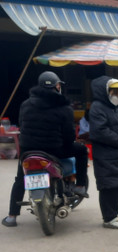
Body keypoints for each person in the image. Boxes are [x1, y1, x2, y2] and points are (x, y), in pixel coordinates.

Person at [3, 71, 89, 228]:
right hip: (54, 150)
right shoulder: (64, 106)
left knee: (20, 178)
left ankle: (12, 216)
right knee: (82, 151)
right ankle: (80, 185)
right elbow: (69, 136)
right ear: (57, 86)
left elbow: (23, 126)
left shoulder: (26, 104)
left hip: (28, 150)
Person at [88, 76, 118, 229]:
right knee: (109, 186)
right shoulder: (97, 107)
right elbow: (99, 131)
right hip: (105, 154)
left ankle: (114, 214)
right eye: (116, 93)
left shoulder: (116, 108)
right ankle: (109, 217)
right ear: (106, 92)